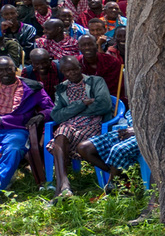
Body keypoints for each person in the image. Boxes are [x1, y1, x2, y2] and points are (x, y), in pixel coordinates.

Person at [47, 56, 114, 197]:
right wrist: (82, 103)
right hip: (70, 125)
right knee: (61, 132)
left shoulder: (96, 81)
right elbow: (57, 115)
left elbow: (104, 105)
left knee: (59, 140)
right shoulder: (61, 88)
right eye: (66, 71)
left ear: (80, 67)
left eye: (73, 69)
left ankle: (61, 188)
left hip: (93, 124)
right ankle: (64, 183)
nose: (71, 73)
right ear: (63, 72)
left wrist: (71, 111)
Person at [0, 56, 52, 190]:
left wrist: (41, 115)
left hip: (15, 130)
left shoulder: (32, 87)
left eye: (8, 69)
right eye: (1, 70)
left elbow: (50, 108)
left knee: (14, 149)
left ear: (16, 69)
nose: (5, 73)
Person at [77, 110, 140, 190]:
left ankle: (111, 187)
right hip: (130, 128)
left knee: (118, 150)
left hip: (145, 135)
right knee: (84, 148)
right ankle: (121, 178)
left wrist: (137, 130)